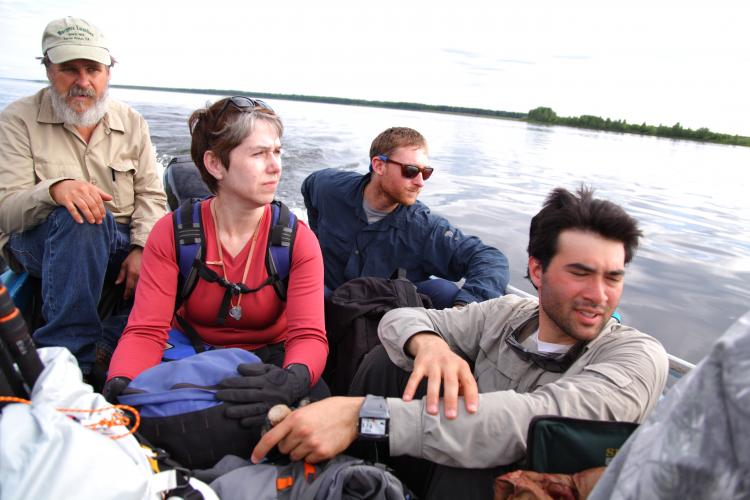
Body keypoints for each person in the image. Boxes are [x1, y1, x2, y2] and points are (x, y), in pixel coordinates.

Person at [252, 186, 669, 498]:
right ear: (537, 271)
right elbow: (400, 318)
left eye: (613, 277)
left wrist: (363, 416)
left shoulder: (637, 359)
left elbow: (527, 422)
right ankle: (355, 475)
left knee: (478, 456)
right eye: (581, 273)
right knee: (388, 363)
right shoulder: (506, 315)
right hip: (439, 465)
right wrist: (429, 344)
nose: (599, 295)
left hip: (507, 486)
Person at [104, 96, 328, 425]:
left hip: (268, 359)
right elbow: (147, 331)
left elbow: (308, 335)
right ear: (215, 164)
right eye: (259, 153)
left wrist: (290, 381)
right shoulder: (174, 233)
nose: (276, 165)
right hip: (188, 350)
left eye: (277, 152)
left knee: (314, 407)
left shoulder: (297, 241)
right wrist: (120, 387)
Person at [0, 17, 166, 376]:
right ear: (47, 69)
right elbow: (6, 213)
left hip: (118, 241)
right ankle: (68, 360)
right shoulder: (17, 120)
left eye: (92, 69)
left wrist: (142, 249)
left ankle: (108, 343)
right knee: (85, 218)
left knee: (182, 248)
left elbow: (152, 195)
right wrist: (55, 190)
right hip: (40, 242)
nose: (82, 81)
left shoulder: (132, 121)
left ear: (109, 71)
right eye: (68, 70)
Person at [301, 126, 509, 309]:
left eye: (425, 173)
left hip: (382, 313)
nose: (420, 182)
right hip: (325, 301)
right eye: (410, 171)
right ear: (379, 165)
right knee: (303, 284)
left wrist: (464, 308)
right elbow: (309, 187)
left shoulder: (424, 228)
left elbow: (491, 259)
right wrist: (317, 237)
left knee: (444, 290)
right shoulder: (329, 187)